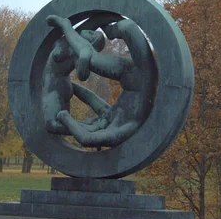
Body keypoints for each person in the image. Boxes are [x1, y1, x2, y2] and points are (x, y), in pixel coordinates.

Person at [45, 15, 157, 148]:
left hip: (137, 78)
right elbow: (87, 138)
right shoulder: (123, 124)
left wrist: (66, 87)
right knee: (94, 54)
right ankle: (67, 26)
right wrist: (65, 116)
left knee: (122, 30)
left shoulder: (123, 124)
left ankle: (76, 27)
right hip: (141, 77)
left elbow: (88, 136)